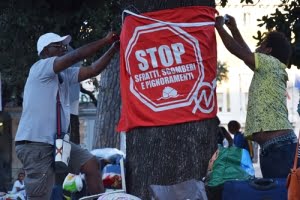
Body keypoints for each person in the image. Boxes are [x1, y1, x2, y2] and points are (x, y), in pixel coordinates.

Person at [15, 31, 119, 199]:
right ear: (45, 51)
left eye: (64, 45)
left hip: (58, 143)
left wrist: (114, 48)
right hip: (35, 144)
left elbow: (93, 69)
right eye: (58, 46)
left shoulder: (64, 75)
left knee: (91, 164)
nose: (64, 49)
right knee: (40, 195)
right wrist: (106, 40)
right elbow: (75, 56)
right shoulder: (40, 67)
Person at [215, 14, 298, 178]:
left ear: (268, 50)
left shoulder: (270, 63)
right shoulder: (269, 68)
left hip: (279, 148)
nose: (256, 49)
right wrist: (234, 29)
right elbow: (246, 54)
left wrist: (219, 27)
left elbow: (239, 51)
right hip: (274, 148)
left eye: (261, 45)